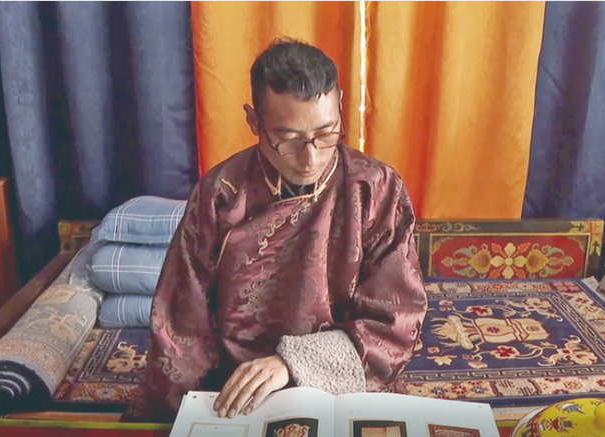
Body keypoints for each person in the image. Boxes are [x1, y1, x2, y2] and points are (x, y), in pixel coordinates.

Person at [124, 38, 427, 423]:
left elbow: (397, 318)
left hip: (343, 379)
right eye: (288, 140)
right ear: (254, 121)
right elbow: (182, 321)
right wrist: (184, 416)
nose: (310, 158)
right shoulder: (220, 195)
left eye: (327, 133)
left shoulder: (375, 189)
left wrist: (292, 363)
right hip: (239, 385)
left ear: (339, 105)